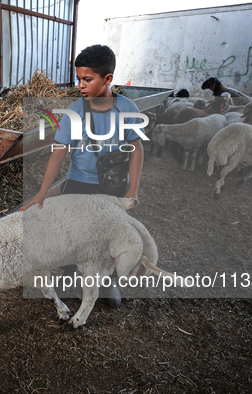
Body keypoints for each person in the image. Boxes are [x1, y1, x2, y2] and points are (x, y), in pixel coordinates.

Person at [21, 44, 146, 308]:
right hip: (78, 184)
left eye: (87, 79)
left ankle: (107, 279)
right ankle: (70, 274)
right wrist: (43, 192)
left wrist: (133, 189)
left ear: (108, 79)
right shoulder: (74, 111)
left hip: (112, 186)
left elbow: (136, 148)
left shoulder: (127, 109)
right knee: (70, 234)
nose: (81, 85)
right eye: (79, 78)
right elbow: (58, 152)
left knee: (108, 235)